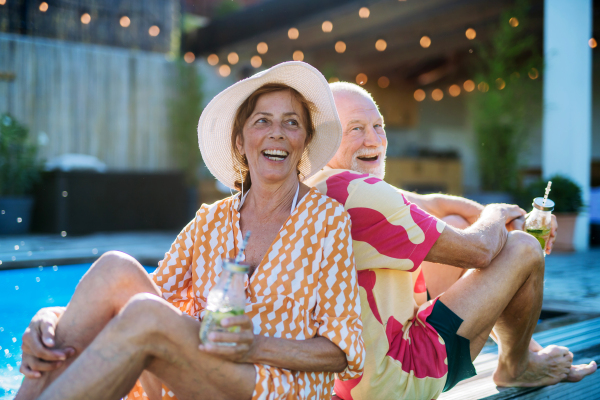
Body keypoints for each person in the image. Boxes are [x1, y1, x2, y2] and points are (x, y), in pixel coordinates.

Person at [15, 62, 364, 400]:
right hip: (202, 371)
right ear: (240, 141)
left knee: (145, 313)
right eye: (262, 121)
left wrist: (256, 346)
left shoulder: (326, 221)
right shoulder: (211, 221)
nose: (277, 132)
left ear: (304, 141)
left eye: (291, 123)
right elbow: (144, 292)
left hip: (276, 387)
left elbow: (343, 352)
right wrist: (50, 318)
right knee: (114, 269)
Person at [304, 81, 597, 400]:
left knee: (454, 225)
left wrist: (508, 219)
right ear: (324, 140)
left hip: (350, 380)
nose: (374, 139)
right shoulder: (361, 195)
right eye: (356, 129)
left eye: (378, 126)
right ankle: (518, 366)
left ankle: (526, 354)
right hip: (396, 382)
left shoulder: (326, 187)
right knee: (523, 249)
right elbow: (480, 252)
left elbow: (435, 205)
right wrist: (501, 218)